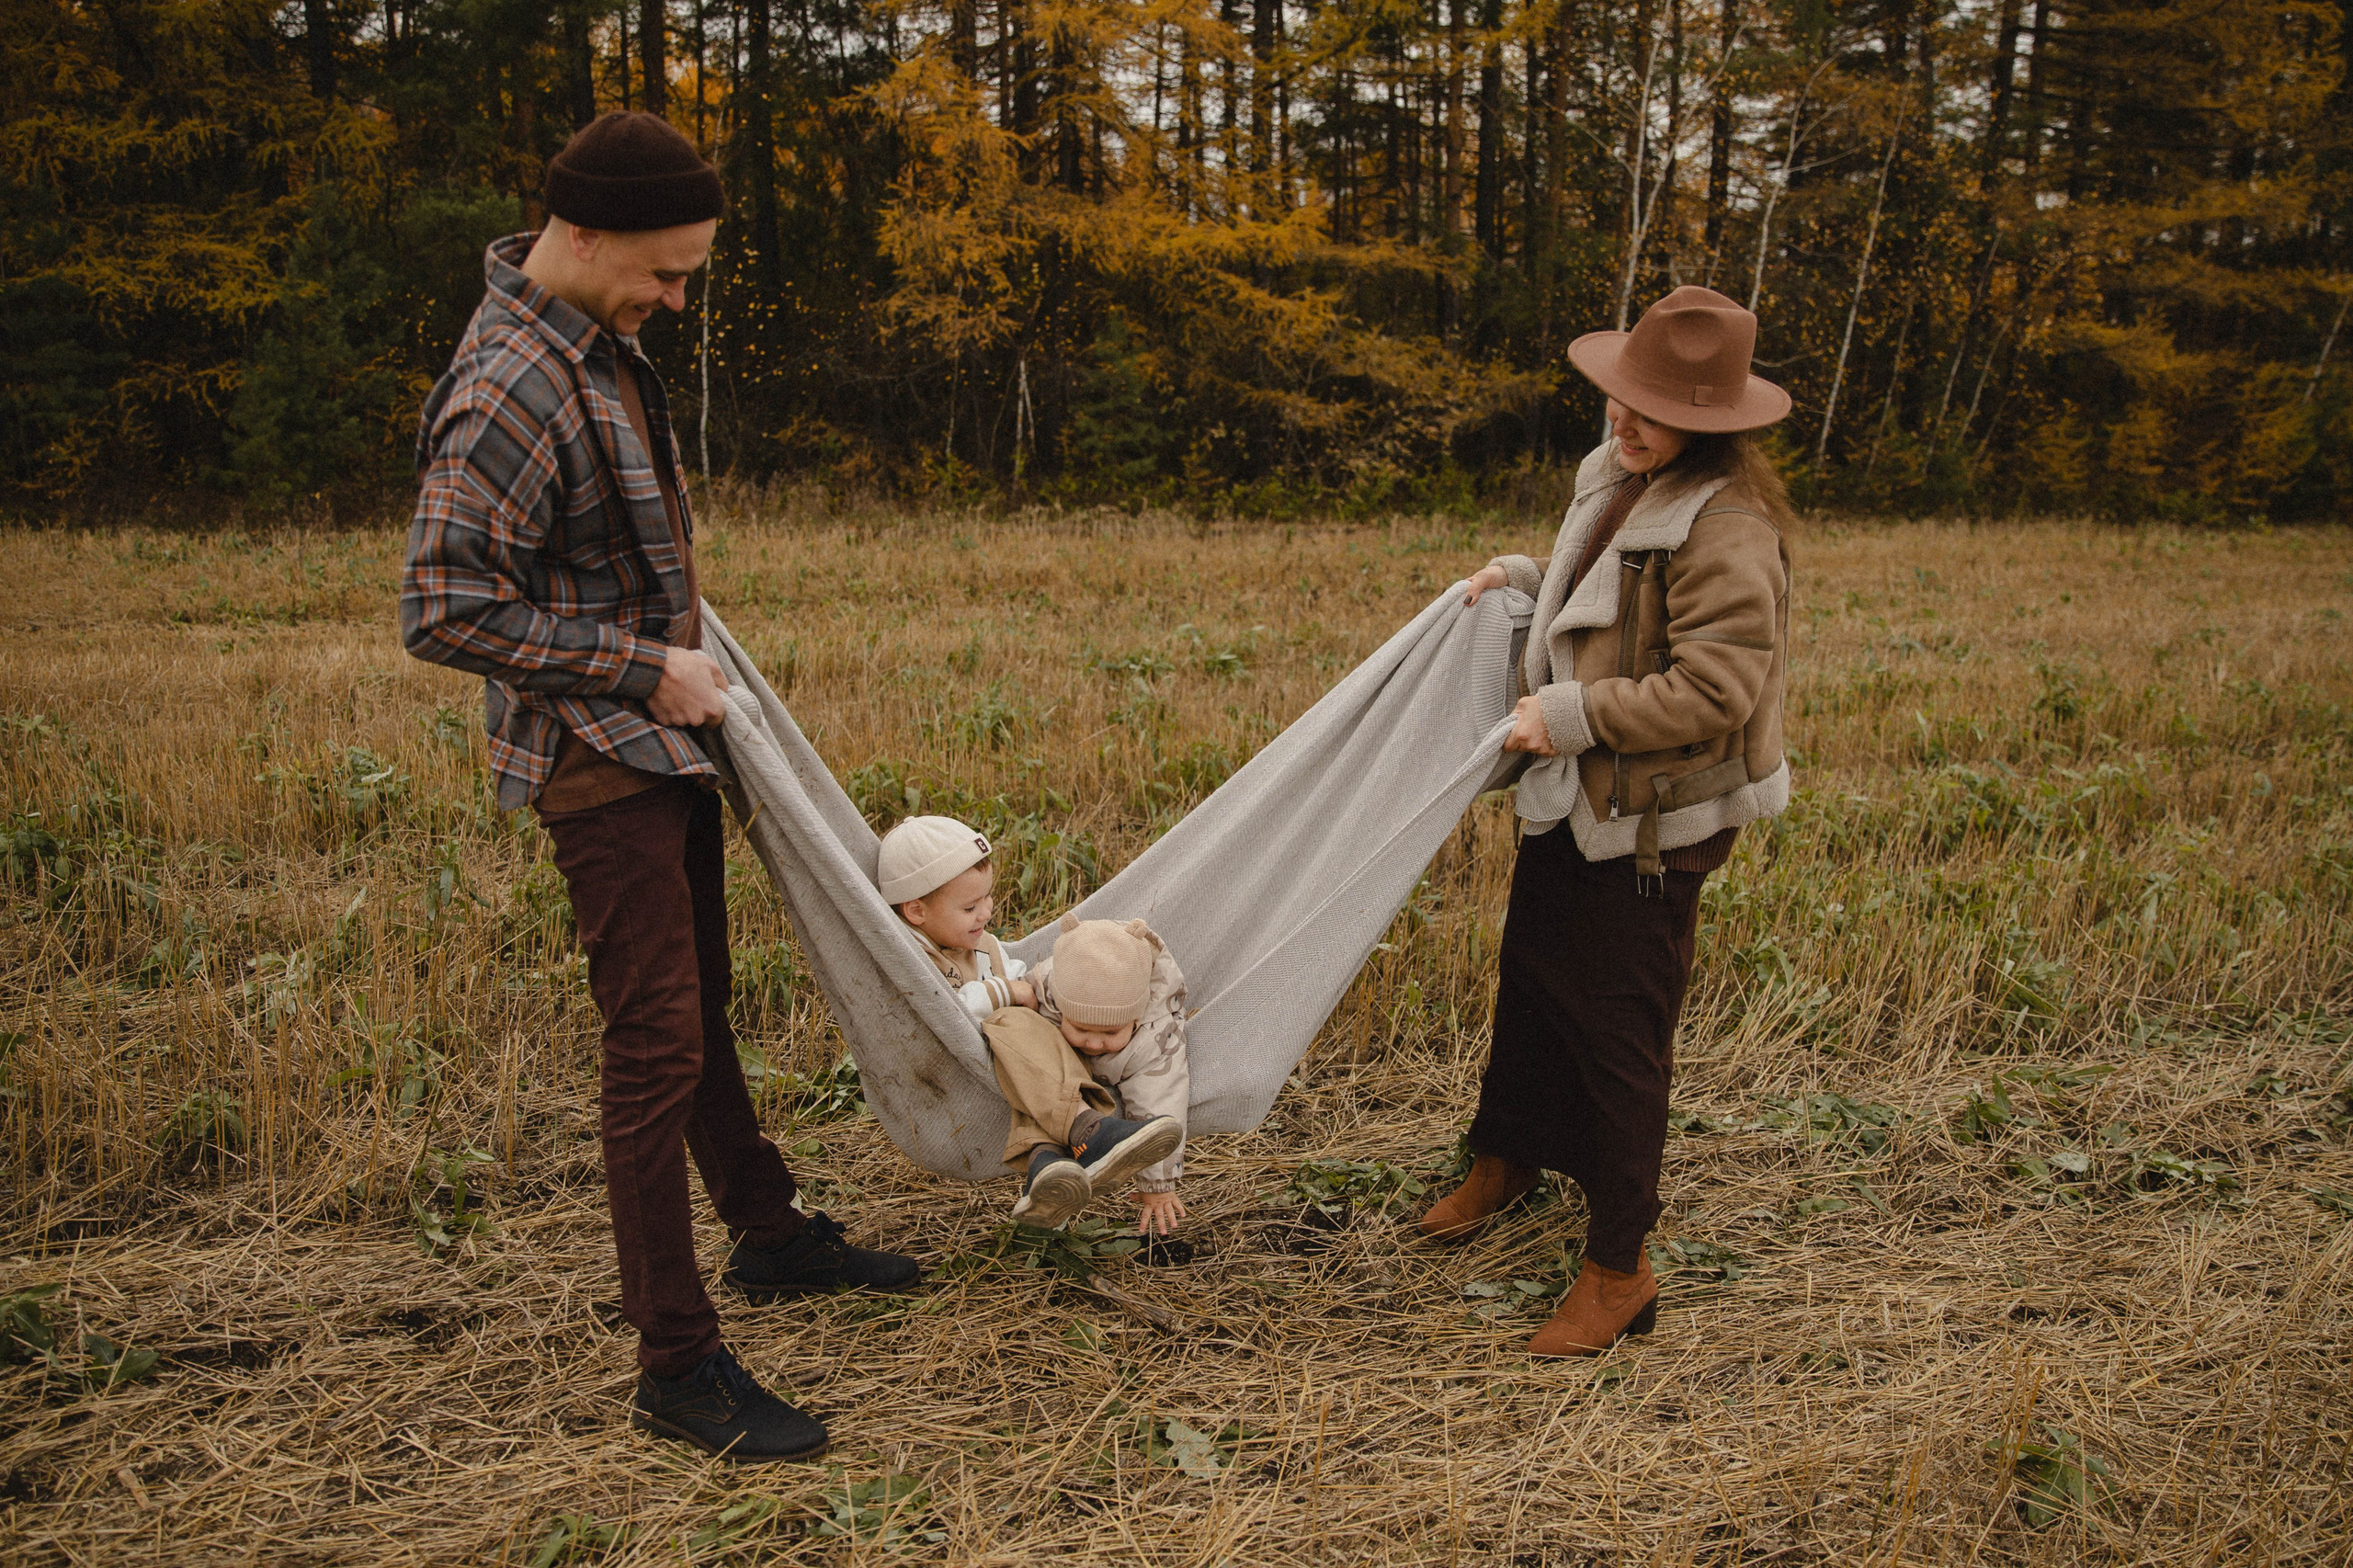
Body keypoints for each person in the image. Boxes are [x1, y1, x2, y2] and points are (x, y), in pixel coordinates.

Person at [401, 111, 917, 1465]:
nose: (678, 300)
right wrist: (640, 666)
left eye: (691, 273)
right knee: (652, 1050)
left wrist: (669, 638)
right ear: (580, 237)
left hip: (657, 738)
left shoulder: (596, 337)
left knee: (698, 1008)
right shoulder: (510, 384)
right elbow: (441, 606)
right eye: (665, 271)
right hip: (601, 760)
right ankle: (677, 1365)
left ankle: (765, 1234)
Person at [1424, 285, 1797, 1358]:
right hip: (1575, 798)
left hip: (1649, 821)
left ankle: (1618, 1265)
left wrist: (1573, 714)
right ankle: (1506, 1159)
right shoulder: (1624, 477)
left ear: (1712, 423)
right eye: (1617, 398)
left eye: (1646, 408)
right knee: (1531, 983)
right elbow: (1608, 605)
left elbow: (1712, 689)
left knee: (1618, 1039)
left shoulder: (1730, 528)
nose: (1619, 420)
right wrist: (1523, 579)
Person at [878, 817, 1188, 1234]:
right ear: (915, 911)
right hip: (963, 1068)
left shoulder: (980, 945)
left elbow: (1021, 980)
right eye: (970, 907)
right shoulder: (912, 957)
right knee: (1011, 1018)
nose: (986, 912)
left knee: (1029, 1033)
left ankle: (1046, 1162)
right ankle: (1086, 1129)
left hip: (1020, 1075)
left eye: (987, 898)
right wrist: (1010, 993)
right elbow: (942, 1012)